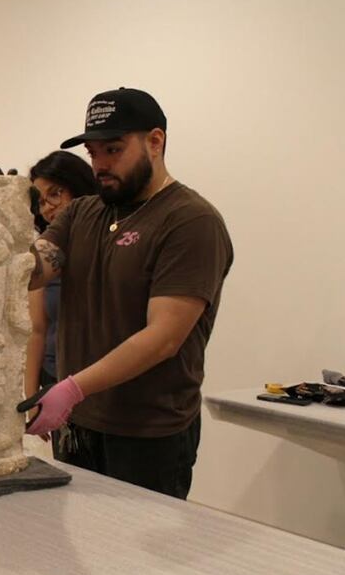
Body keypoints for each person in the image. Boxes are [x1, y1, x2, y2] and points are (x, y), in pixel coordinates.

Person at [19, 87, 233, 499]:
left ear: (155, 141)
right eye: (93, 154)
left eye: (113, 150)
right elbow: (34, 269)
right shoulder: (83, 213)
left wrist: (73, 387)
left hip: (148, 434)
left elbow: (163, 338)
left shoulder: (190, 221)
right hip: (79, 426)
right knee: (78, 552)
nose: (100, 165)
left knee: (135, 560)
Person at [23, 150, 97, 454]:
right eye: (41, 201)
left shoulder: (104, 244)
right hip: (56, 383)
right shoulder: (44, 258)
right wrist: (31, 397)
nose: (49, 208)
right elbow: (37, 328)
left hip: (98, 385)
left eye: (57, 193)